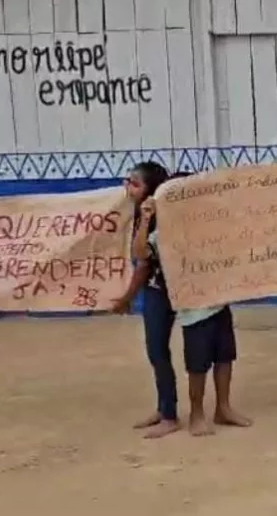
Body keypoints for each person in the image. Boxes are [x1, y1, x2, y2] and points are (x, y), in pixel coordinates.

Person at [136, 174, 252, 436]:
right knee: (197, 365)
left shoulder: (213, 224)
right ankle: (197, 414)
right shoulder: (165, 231)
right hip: (192, 308)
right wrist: (145, 219)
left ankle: (223, 408)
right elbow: (141, 253)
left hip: (219, 302)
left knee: (225, 357)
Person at [112, 161, 179, 439]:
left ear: (150, 188)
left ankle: (170, 416)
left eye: (135, 183)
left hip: (163, 291)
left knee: (158, 351)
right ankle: (164, 408)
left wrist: (126, 298)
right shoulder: (142, 212)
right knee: (157, 352)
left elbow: (143, 263)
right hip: (157, 290)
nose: (128, 187)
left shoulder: (154, 215)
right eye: (128, 181)